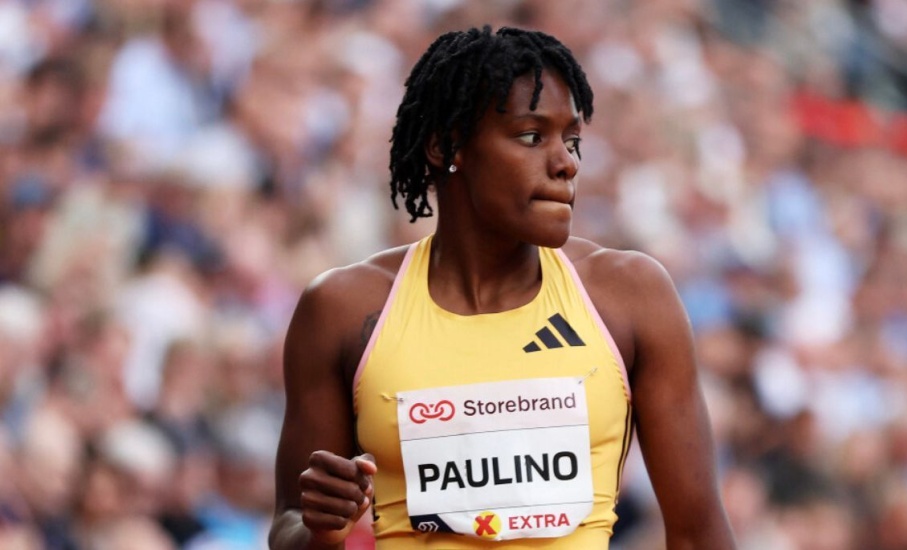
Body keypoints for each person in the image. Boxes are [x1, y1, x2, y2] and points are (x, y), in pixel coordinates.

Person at [269, 25, 736, 549]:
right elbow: (289, 525)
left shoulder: (630, 296)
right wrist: (323, 530)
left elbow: (698, 534)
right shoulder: (341, 309)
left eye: (572, 139)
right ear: (448, 145)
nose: (567, 163)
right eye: (532, 136)